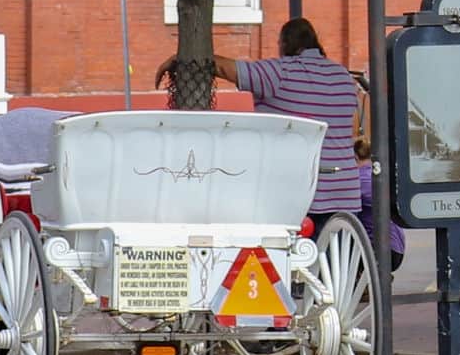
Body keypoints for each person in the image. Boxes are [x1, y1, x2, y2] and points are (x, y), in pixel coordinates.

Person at [154, 19, 406, 271]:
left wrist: (179, 58)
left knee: (288, 262)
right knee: (331, 267)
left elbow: (224, 67)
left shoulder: (279, 73)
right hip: (342, 191)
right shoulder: (341, 77)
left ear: (285, 44)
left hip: (296, 191)